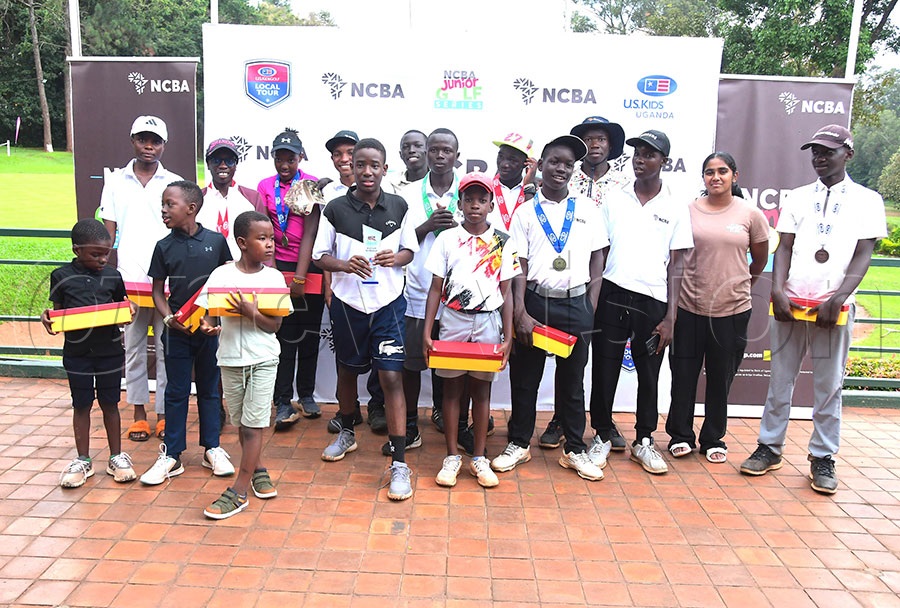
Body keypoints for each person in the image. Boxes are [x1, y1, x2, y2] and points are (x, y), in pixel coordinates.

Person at [740, 124, 886, 494]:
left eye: (828, 152)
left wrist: (838, 297)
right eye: (814, 152)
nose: (819, 158)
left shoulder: (868, 200)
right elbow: (783, 247)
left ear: (847, 154)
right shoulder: (799, 197)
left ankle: (822, 455)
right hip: (791, 302)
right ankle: (769, 447)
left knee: (828, 386)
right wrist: (777, 290)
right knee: (780, 381)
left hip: (833, 307)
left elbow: (863, 253)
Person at [491, 134, 606, 482]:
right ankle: (519, 443)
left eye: (568, 164)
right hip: (536, 303)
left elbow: (598, 257)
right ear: (540, 166)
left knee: (572, 382)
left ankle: (574, 448)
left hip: (576, 302)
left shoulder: (587, 209)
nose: (560, 169)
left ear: (574, 171)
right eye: (554, 161)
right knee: (525, 378)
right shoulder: (526, 212)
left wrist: (590, 304)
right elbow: (519, 263)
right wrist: (520, 312)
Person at [312, 137, 419, 500]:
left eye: (374, 165)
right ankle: (346, 429)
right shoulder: (335, 208)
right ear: (351, 168)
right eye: (360, 165)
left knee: (391, 376)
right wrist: (344, 265)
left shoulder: (400, 206)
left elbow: (409, 251)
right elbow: (319, 256)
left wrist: (396, 259)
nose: (367, 171)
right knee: (347, 370)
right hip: (347, 303)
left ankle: (400, 461)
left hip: (388, 303)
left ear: (385, 169)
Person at [588, 130, 693, 476]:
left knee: (649, 374)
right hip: (613, 293)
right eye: (637, 153)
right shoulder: (614, 199)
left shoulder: (676, 205)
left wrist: (671, 318)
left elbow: (678, 264)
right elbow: (600, 254)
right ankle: (602, 435)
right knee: (604, 369)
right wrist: (595, 298)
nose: (640, 159)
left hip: (653, 300)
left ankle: (644, 440)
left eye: (649, 154)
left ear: (664, 160)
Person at [666, 152, 769, 463]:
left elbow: (760, 259)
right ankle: (680, 435)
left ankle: (714, 438)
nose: (716, 177)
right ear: (703, 178)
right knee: (683, 375)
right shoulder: (688, 212)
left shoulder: (750, 214)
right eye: (709, 172)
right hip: (689, 307)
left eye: (722, 171)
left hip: (732, 310)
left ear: (734, 176)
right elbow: (677, 258)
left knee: (720, 377)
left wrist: (743, 284)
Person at [423, 171, 519, 488]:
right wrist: (428, 331)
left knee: (481, 390)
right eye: (469, 199)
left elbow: (506, 292)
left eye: (482, 199)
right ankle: (452, 456)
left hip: (489, 320)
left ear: (491, 204)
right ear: (460, 203)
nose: (475, 205)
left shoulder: (503, 241)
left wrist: (508, 335)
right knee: (452, 391)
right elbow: (435, 288)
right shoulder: (448, 239)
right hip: (452, 319)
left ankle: (478, 457)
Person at [540, 115, 629, 450]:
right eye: (589, 139)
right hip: (572, 281)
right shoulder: (564, 177)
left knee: (605, 356)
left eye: (601, 139)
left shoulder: (624, 184)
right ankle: (561, 418)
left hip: (613, 280)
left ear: (611, 146)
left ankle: (604, 424)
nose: (595, 145)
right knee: (568, 355)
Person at [140, 180, 235, 485]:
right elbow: (157, 291)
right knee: (177, 391)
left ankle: (213, 449)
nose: (164, 209)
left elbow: (226, 281)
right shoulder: (163, 246)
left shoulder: (216, 242)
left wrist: (212, 318)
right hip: (177, 332)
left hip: (209, 331)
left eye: (170, 204)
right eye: (164, 204)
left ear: (191, 209)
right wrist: (168, 320)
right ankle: (172, 455)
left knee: (209, 388)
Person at [200, 211, 288, 519]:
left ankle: (238, 490)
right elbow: (207, 312)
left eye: (271, 239)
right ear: (242, 242)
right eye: (261, 239)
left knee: (253, 425)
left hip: (263, 359)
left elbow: (274, 326)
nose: (269, 245)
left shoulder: (273, 278)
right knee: (241, 423)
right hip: (229, 360)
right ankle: (258, 468)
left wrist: (251, 311)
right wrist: (207, 325)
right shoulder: (222, 275)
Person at [99, 115, 181, 443]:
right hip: (128, 277)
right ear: (133, 140)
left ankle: (163, 415)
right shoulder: (116, 181)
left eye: (156, 140)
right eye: (143, 139)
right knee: (133, 349)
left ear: (164, 144)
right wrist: (108, 275)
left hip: (165, 281)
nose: (149, 146)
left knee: (166, 349)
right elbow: (109, 230)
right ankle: (138, 414)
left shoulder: (173, 181)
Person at [43, 219, 138, 488]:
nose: (103, 259)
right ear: (77, 250)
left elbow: (123, 306)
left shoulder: (113, 276)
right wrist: (47, 318)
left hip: (109, 352)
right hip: (77, 353)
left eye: (107, 253)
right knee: (81, 404)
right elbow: (56, 312)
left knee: (110, 403)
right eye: (96, 254)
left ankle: (116, 457)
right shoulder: (60, 276)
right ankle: (83, 459)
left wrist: (128, 311)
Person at [398, 128, 464, 455]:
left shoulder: (468, 191)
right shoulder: (409, 194)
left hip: (458, 299)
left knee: (452, 364)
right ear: (426, 153)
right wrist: (427, 225)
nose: (439, 156)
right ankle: (410, 425)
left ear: (456, 155)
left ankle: (447, 415)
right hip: (417, 292)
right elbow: (399, 241)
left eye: (446, 151)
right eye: (433, 150)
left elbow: (483, 236)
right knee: (412, 363)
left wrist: (458, 228)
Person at [318, 129, 388, 436]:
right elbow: (322, 247)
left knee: (380, 355)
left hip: (381, 291)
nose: (346, 160)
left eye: (352, 154)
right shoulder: (328, 194)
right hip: (344, 289)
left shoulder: (390, 197)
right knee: (347, 358)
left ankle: (376, 407)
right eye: (340, 155)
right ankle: (348, 413)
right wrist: (328, 281)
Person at [256, 128, 325, 430]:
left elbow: (311, 230)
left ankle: (307, 395)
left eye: (291, 159)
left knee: (308, 335)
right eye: (280, 159)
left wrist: (299, 275)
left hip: (307, 268)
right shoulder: (264, 186)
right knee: (283, 336)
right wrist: (270, 271)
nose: (285, 165)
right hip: (276, 266)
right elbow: (262, 227)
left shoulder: (309, 185)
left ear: (300, 157)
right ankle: (282, 400)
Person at [199, 138, 262, 260]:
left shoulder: (252, 197)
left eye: (229, 161)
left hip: (244, 270)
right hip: (205, 268)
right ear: (208, 164)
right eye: (216, 160)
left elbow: (263, 237)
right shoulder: (198, 198)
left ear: (236, 165)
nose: (223, 166)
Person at [388, 130, 429, 194]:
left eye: (418, 145)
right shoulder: (390, 184)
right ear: (401, 154)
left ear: (429, 151)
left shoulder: (440, 182)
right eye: (406, 147)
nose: (411, 150)